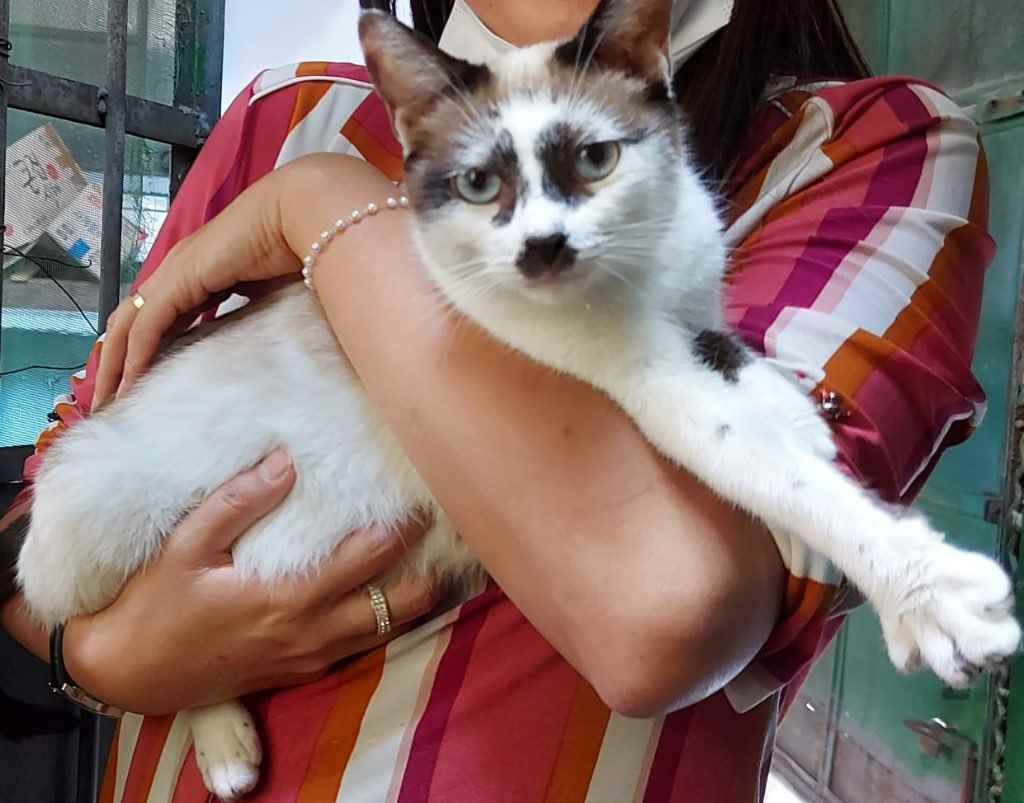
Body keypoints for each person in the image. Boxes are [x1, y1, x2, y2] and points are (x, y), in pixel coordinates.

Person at [0, 0, 994, 800]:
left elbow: (658, 613)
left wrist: (321, 205)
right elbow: (41, 511)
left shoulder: (869, 149)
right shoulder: (284, 113)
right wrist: (106, 659)